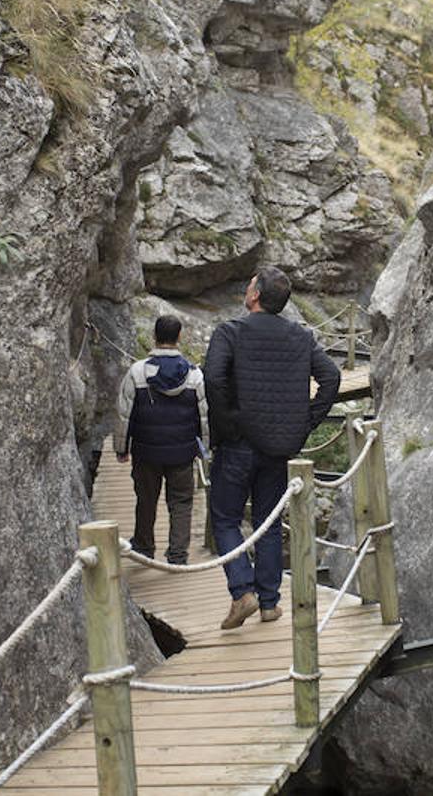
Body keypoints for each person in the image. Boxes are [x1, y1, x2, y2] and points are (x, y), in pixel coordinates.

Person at [204, 266, 341, 629]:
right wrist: (305, 423)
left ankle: (241, 592)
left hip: (238, 445)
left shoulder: (230, 332)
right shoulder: (301, 336)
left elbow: (214, 379)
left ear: (255, 296)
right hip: (279, 448)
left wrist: (230, 424)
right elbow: (331, 376)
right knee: (268, 521)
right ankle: (268, 603)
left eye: (249, 285)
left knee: (225, 518)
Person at [114, 315, 208, 565]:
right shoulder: (194, 375)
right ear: (179, 337)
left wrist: (121, 448)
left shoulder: (137, 371)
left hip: (146, 452)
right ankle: (178, 555)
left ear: (155, 337)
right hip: (182, 451)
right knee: (181, 502)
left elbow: (124, 414)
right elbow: (203, 416)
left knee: (145, 499)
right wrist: (203, 447)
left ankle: (144, 548)